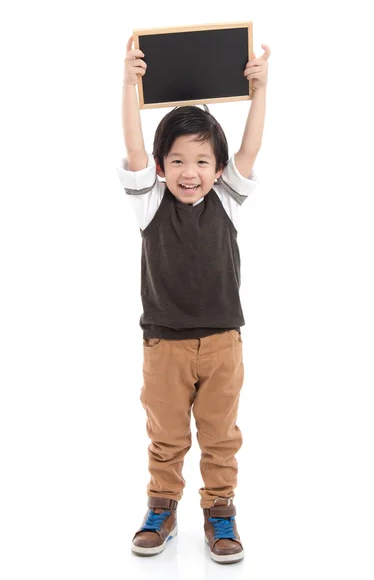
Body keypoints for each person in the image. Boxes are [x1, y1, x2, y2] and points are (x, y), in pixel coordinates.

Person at [117, 34, 271, 564]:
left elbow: (249, 149)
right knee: (165, 434)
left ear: (218, 168)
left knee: (220, 434)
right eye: (178, 160)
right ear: (160, 166)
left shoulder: (226, 202)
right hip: (164, 345)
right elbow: (134, 147)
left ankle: (220, 509)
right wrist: (130, 82)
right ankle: (162, 504)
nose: (190, 172)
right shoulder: (149, 205)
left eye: (202, 161)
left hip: (224, 342)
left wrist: (260, 90)